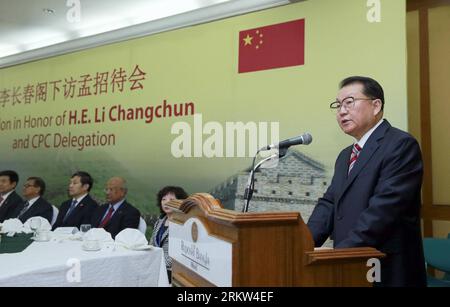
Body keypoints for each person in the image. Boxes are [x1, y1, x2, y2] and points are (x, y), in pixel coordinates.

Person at [307, 76, 426, 287]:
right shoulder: (345, 155)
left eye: (349, 102)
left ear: (376, 105)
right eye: (338, 105)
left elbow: (383, 211)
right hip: (352, 264)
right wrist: (302, 243)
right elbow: (330, 203)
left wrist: (340, 254)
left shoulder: (400, 145)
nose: (341, 111)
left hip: (386, 267)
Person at [150, 186, 188, 281]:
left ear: (180, 203)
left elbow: (179, 254)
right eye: (163, 199)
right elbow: (151, 245)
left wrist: (159, 263)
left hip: (171, 272)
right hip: (155, 268)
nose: (166, 202)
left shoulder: (182, 224)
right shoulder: (160, 221)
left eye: (171, 199)